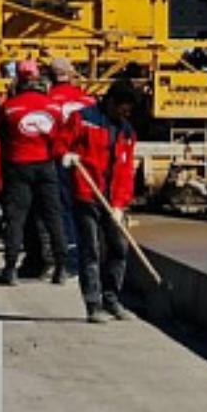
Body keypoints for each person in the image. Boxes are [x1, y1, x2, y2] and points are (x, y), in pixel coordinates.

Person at [61, 80, 139, 324]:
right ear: (111, 102)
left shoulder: (127, 132)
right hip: (87, 194)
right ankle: (93, 304)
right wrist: (67, 154)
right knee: (91, 250)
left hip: (112, 200)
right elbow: (59, 142)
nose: (125, 114)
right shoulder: (83, 119)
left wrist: (120, 204)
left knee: (119, 248)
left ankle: (112, 299)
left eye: (129, 111)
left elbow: (125, 172)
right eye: (122, 109)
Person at [0, 59, 68, 285]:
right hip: (46, 165)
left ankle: (10, 269)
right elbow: (62, 136)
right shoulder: (53, 107)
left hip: (17, 165)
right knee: (53, 217)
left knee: (16, 219)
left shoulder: (9, 107)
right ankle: (61, 269)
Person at [45, 57, 95, 264]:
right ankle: (88, 252)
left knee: (62, 208)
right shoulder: (88, 101)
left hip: (57, 160)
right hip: (85, 161)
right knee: (86, 207)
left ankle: (69, 256)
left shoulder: (47, 101)